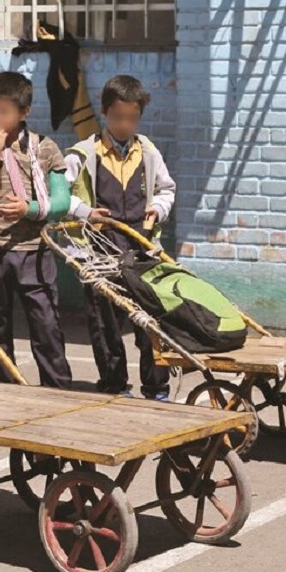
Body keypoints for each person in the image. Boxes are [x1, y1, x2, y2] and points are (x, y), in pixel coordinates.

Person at [66, 75, 176, 400]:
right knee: (105, 323)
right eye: (118, 117)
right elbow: (59, 196)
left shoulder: (149, 152)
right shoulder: (84, 154)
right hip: (101, 252)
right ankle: (114, 385)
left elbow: (166, 189)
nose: (125, 125)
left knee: (150, 321)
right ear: (105, 113)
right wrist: (86, 213)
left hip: (141, 250)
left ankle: (156, 387)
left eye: (132, 118)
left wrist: (157, 209)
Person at [0, 71, 73, 388]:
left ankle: (60, 397)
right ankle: (6, 401)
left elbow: (62, 200)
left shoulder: (44, 148)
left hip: (32, 253)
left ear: (24, 112)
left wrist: (31, 209)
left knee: (46, 328)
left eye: (4, 112)